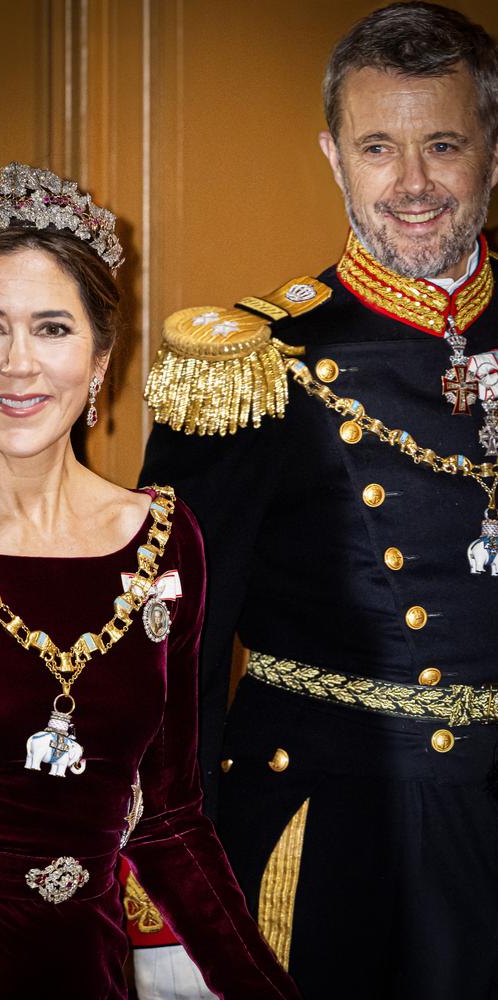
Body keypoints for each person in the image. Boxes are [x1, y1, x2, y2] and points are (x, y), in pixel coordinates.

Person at [0, 162, 300, 999]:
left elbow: (169, 820)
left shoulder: (165, 539)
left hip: (90, 971)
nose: (19, 365)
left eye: (53, 328)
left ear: (99, 359)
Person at [140, 4, 498, 998]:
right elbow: (172, 642)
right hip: (334, 826)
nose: (412, 184)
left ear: (490, 149)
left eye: (441, 144)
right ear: (332, 156)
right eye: (376, 147)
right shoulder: (252, 366)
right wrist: (162, 884)